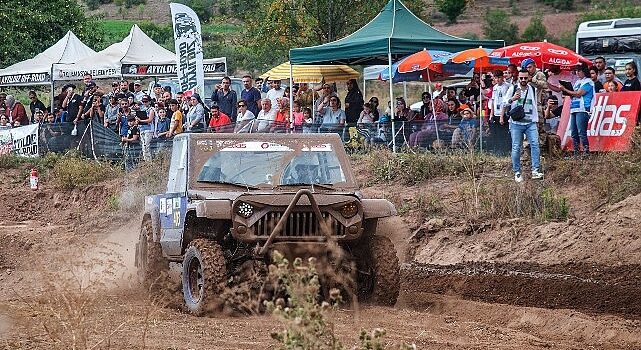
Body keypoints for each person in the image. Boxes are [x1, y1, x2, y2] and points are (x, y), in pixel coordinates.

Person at [501, 69, 544, 183]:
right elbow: (504, 103)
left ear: (528, 78)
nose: (523, 80)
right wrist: (512, 99)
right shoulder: (513, 88)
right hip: (516, 123)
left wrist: (537, 119)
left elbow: (535, 104)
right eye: (521, 78)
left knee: (535, 144)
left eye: (525, 78)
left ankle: (535, 170)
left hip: (530, 122)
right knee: (516, 147)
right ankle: (517, 172)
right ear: (518, 78)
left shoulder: (532, 89)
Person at [559, 63, 595, 157]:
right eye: (576, 71)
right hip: (574, 108)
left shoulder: (588, 82)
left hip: (583, 109)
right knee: (574, 132)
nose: (577, 73)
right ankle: (576, 152)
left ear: (584, 71)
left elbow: (579, 94)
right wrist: (567, 91)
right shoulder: (577, 82)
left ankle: (586, 152)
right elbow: (573, 94)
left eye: (579, 71)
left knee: (581, 132)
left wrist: (565, 89)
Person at [137, 95, 156, 162]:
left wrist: (141, 120)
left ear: (149, 102)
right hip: (143, 129)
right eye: (143, 101)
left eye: (146, 101)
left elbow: (150, 120)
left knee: (146, 145)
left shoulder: (151, 109)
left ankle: (149, 161)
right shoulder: (143, 109)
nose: (144, 103)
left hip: (149, 129)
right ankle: (146, 160)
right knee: (143, 146)